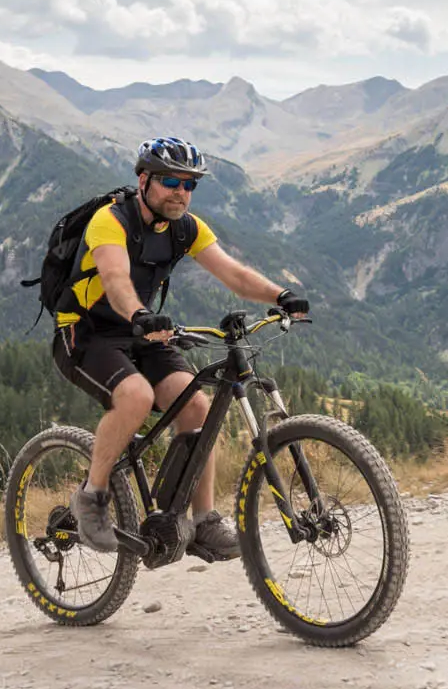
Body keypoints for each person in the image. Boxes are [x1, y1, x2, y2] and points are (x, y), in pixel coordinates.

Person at [52, 135, 310, 560]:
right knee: (135, 396)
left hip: (143, 332)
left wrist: (280, 295)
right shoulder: (110, 222)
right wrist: (139, 315)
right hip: (86, 331)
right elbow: (116, 282)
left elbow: (235, 274)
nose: (181, 192)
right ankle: (93, 496)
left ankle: (202, 519)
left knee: (197, 407)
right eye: (171, 181)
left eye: (190, 184)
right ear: (144, 181)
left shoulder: (186, 228)